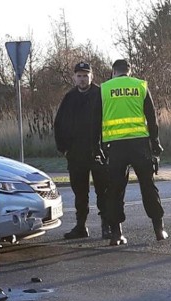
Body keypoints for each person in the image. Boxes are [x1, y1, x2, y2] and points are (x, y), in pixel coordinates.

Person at [92, 58, 167, 246]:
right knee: (148, 187)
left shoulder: (104, 89)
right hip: (139, 144)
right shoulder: (140, 86)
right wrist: (155, 143)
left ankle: (116, 234)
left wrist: (97, 147)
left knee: (115, 190)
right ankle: (159, 229)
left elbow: (95, 121)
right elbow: (152, 118)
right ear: (129, 71)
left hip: (114, 147)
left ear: (113, 71)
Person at [54, 61, 109, 239]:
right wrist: (64, 149)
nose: (82, 79)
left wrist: (106, 147)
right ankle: (81, 226)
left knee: (103, 191)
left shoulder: (100, 94)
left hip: (98, 152)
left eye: (85, 75)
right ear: (74, 77)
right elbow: (59, 124)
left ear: (91, 76)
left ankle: (106, 226)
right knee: (80, 193)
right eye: (79, 76)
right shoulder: (69, 97)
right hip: (76, 154)